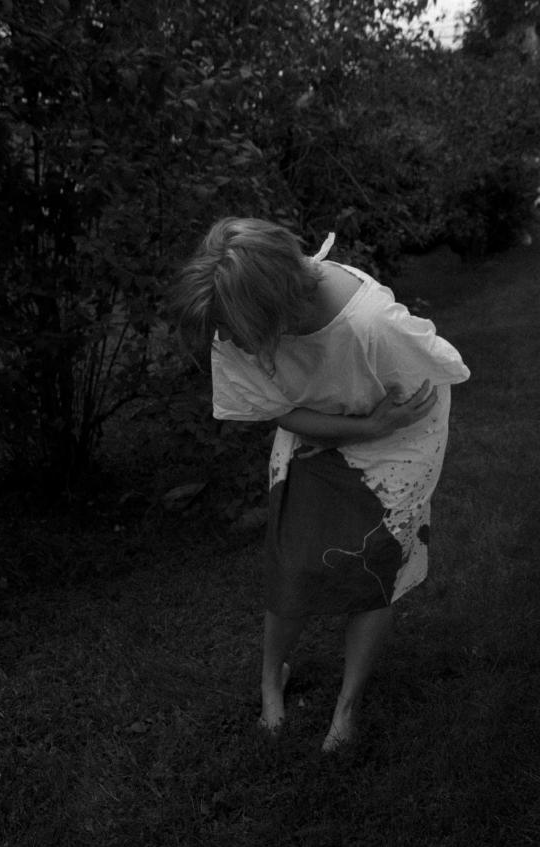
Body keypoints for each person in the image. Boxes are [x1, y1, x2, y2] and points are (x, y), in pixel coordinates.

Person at [174, 217, 470, 752]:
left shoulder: (372, 325)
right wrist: (361, 426)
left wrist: (378, 426)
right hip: (333, 425)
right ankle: (271, 681)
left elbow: (419, 394)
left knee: (376, 565)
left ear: (274, 306)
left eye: (235, 328)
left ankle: (347, 707)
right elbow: (279, 411)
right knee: (295, 559)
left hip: (400, 434)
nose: (228, 340)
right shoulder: (235, 314)